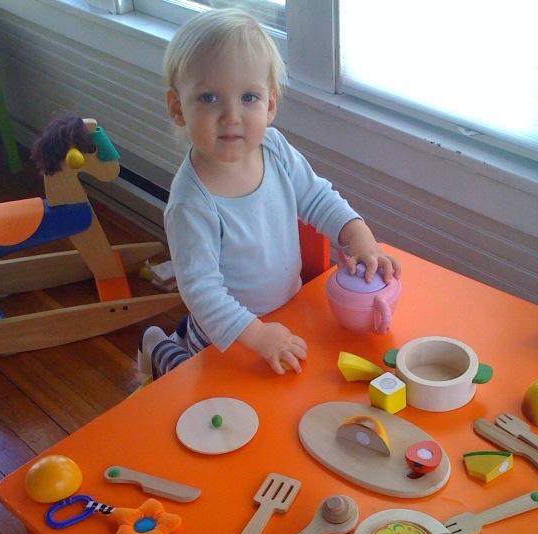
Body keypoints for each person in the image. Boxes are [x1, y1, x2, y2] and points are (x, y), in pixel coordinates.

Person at [138, 7, 400, 380]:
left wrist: (360, 238)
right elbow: (202, 293)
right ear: (178, 108)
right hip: (223, 337)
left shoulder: (274, 149)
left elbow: (318, 199)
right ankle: (156, 345)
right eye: (209, 98)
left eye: (248, 97)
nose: (231, 115)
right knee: (192, 386)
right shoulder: (190, 203)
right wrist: (258, 336)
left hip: (285, 316)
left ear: (270, 105)